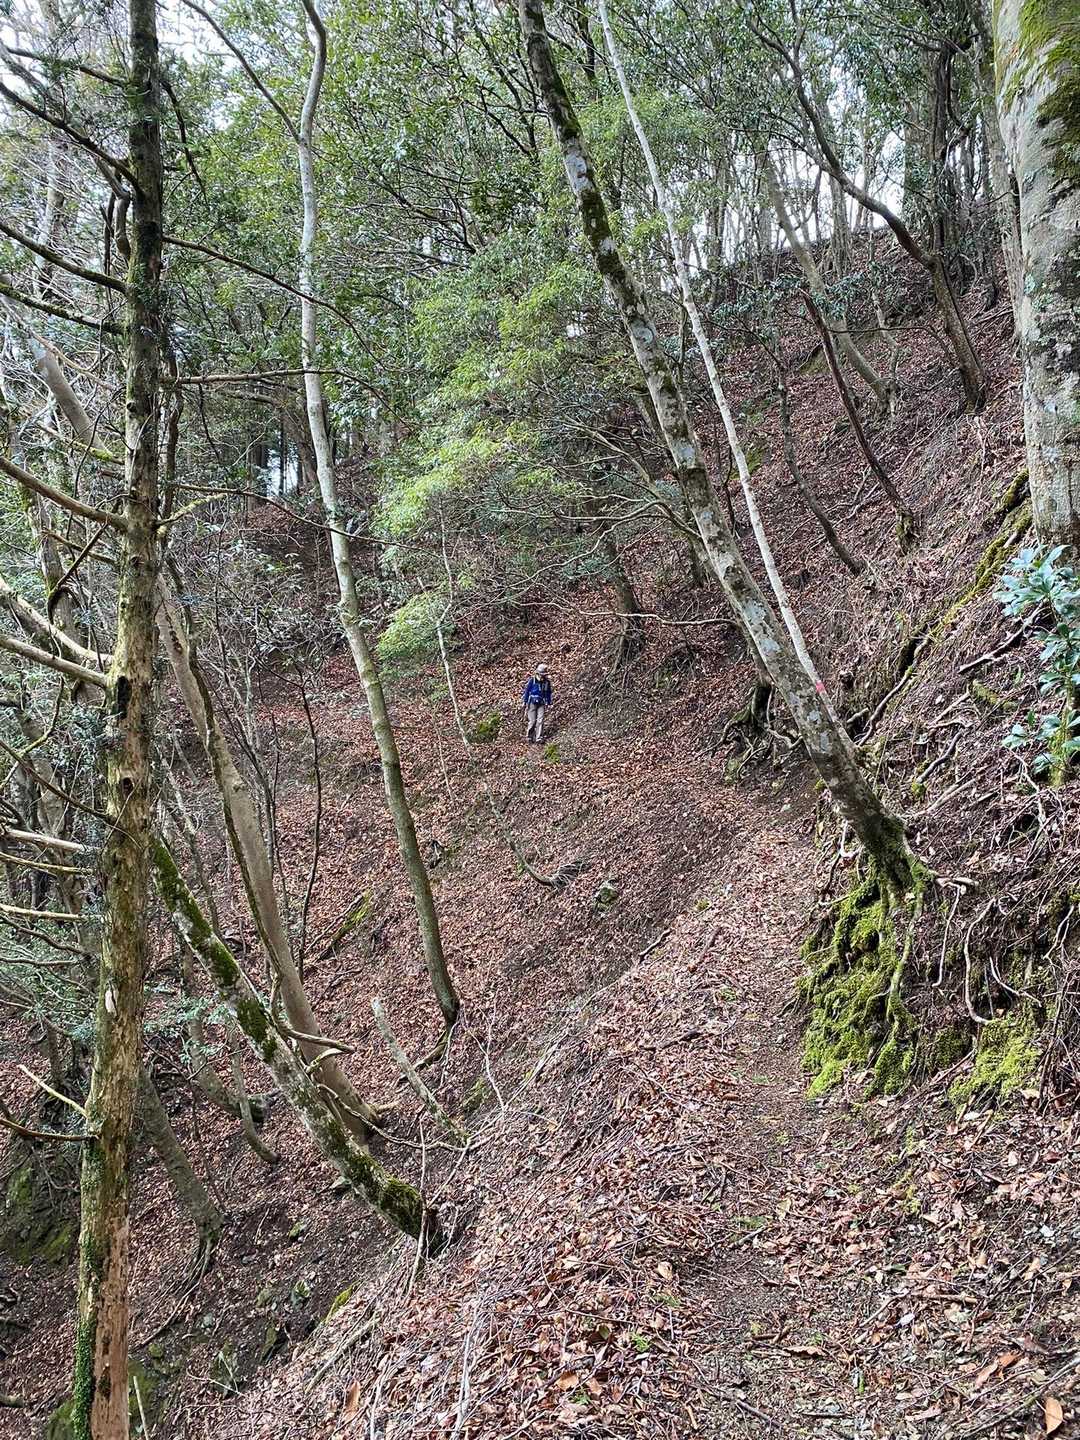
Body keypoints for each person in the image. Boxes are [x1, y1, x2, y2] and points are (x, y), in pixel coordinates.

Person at [522, 662, 553, 743]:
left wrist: (549, 702)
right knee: (532, 721)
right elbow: (527, 691)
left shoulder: (547, 682)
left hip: (542, 702)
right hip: (532, 702)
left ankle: (539, 737)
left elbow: (548, 693)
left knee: (540, 720)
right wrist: (525, 701)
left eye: (544, 674)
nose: (543, 676)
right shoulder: (532, 680)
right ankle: (529, 736)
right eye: (541, 674)